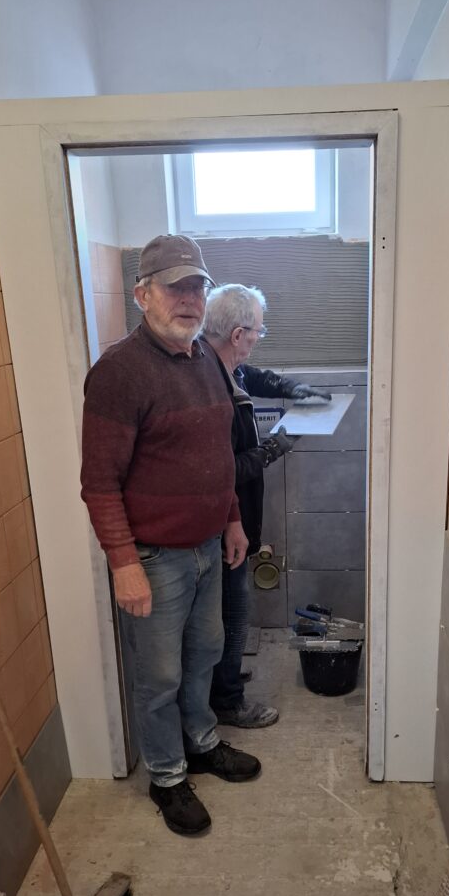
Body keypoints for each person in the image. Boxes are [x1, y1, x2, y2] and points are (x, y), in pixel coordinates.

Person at [80, 236, 261, 838]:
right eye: (174, 287)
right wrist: (123, 563)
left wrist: (231, 518)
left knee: (205, 653)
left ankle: (201, 743)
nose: (188, 299)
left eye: (197, 287)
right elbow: (99, 483)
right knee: (159, 676)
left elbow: (217, 454)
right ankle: (166, 775)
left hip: (208, 547)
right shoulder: (118, 373)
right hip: (154, 558)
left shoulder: (204, 357)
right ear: (142, 295)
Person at [201, 284, 332, 728]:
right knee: (233, 613)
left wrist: (294, 388)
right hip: (222, 522)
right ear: (238, 335)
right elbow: (224, 469)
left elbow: (253, 376)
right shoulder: (209, 385)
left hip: (233, 515)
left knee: (228, 612)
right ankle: (227, 700)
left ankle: (223, 677)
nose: (259, 337)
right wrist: (274, 448)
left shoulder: (221, 365)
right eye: (258, 330)